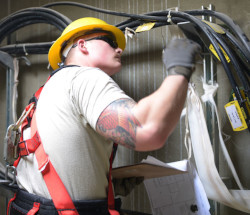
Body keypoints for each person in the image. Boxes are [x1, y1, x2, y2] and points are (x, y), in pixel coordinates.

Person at [9, 17, 201, 215]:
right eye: (110, 42)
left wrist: (107, 183)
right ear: (82, 45)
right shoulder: (85, 78)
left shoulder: (47, 89)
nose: (119, 49)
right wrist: (180, 68)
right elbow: (147, 130)